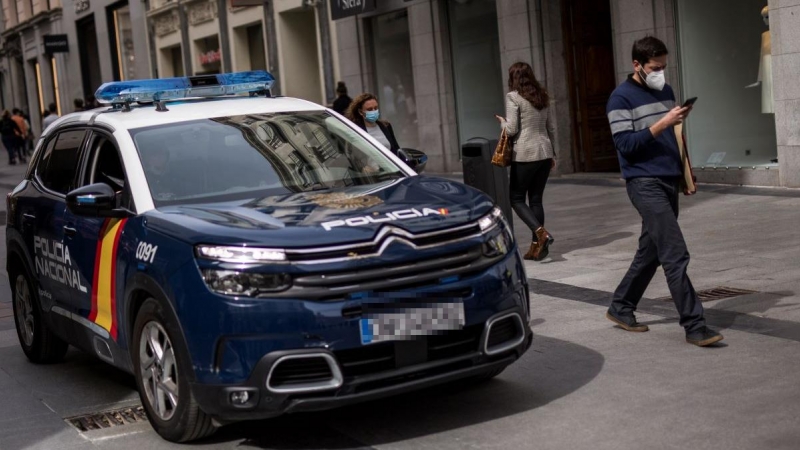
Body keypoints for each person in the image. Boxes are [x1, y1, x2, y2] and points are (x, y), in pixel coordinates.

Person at [605, 36, 722, 347]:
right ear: (637, 65)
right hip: (643, 183)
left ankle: (620, 306)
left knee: (652, 252)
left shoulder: (666, 91)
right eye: (655, 68)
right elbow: (625, 145)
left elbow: (675, 137)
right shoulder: (620, 99)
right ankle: (695, 326)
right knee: (674, 252)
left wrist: (685, 174)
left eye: (663, 67)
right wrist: (663, 122)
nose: (661, 73)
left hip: (669, 179)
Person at [495, 62, 557, 261]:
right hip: (544, 153)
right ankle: (537, 249)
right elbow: (551, 128)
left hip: (525, 154)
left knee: (516, 198)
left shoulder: (513, 97)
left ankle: (541, 233)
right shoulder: (542, 95)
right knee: (536, 199)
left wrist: (502, 122)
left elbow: (512, 130)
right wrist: (552, 154)